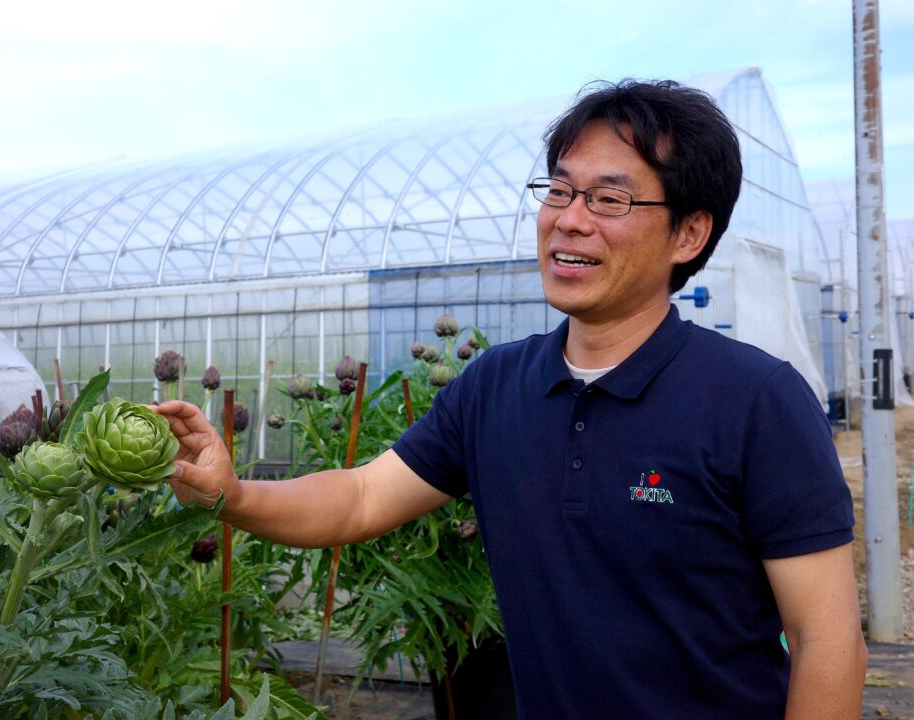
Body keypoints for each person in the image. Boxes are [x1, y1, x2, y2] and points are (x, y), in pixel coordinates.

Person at [157, 80, 867, 718]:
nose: (570, 219)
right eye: (559, 191)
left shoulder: (755, 401)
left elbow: (826, 641)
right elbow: (361, 498)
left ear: (689, 232)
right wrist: (234, 494)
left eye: (610, 198)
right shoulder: (496, 386)